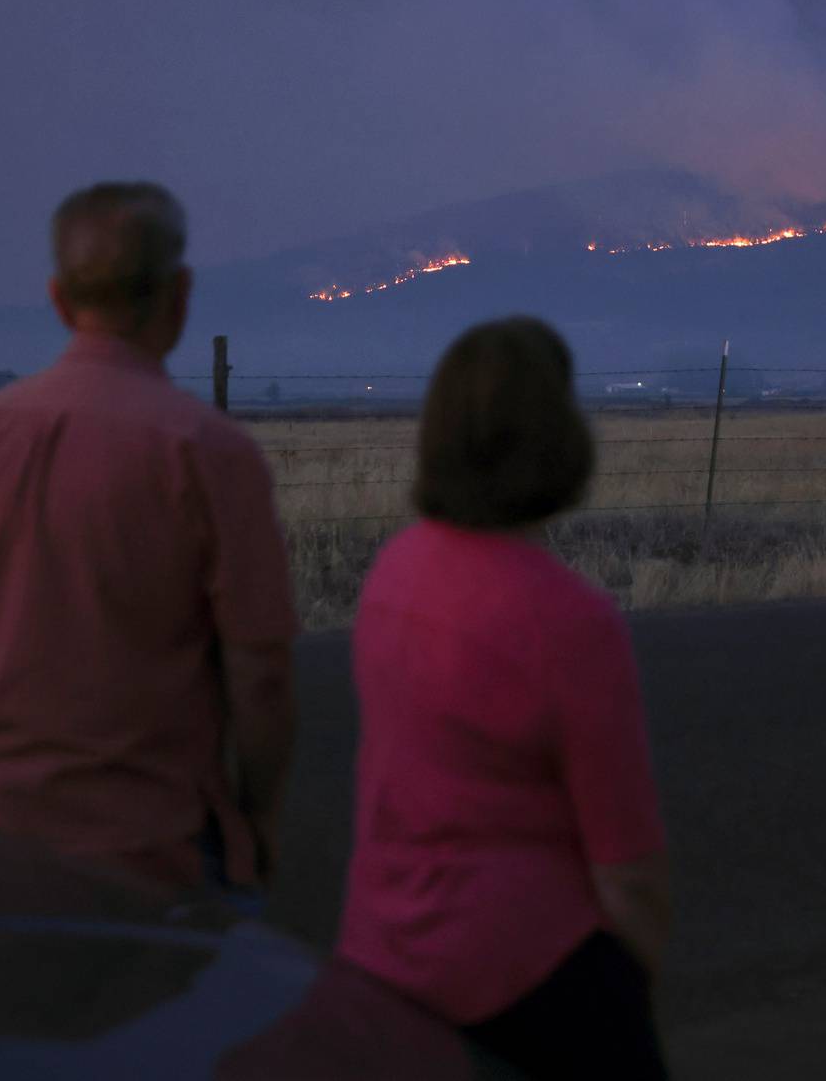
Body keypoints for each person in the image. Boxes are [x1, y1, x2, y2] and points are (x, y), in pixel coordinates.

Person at [0, 182, 296, 893]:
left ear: (60, 300)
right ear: (180, 295)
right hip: (151, 853)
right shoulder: (209, 452)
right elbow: (263, 674)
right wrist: (258, 816)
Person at [337, 317, 671, 1079]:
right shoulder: (566, 620)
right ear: (560, 438)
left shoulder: (396, 571)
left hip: (383, 950)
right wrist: (624, 991)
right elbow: (630, 871)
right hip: (522, 972)